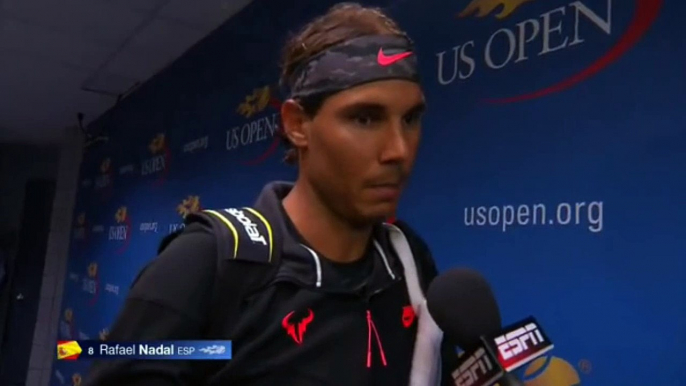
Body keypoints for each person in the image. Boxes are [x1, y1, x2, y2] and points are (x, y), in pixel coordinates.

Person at [84, 3, 458, 385]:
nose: (398, 149)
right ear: (298, 125)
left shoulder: (407, 260)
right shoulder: (207, 264)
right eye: (364, 118)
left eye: (410, 119)